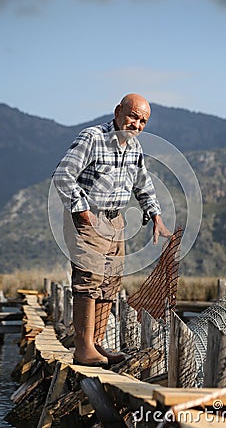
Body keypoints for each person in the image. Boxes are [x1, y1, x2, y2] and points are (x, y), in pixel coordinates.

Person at [53, 93, 171, 367]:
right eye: (133, 117)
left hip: (116, 221)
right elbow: (63, 174)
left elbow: (143, 183)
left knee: (109, 284)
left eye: (143, 121)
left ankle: (97, 346)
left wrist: (155, 215)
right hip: (89, 218)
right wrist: (81, 210)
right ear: (118, 111)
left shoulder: (135, 147)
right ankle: (83, 350)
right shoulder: (93, 137)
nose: (137, 125)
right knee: (88, 281)